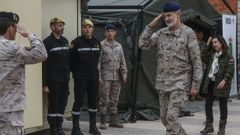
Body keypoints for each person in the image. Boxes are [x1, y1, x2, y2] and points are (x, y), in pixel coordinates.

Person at [138, 2, 203, 135]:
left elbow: (197, 61)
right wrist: (151, 25)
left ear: (178, 14)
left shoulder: (188, 33)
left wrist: (195, 85)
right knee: (164, 119)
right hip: (163, 83)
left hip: (180, 83)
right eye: (165, 16)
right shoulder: (161, 33)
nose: (167, 18)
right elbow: (143, 44)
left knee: (171, 118)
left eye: (170, 15)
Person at [0, 11, 47, 134]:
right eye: (15, 27)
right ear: (10, 28)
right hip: (9, 110)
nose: (16, 31)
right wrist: (30, 35)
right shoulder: (12, 48)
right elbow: (41, 54)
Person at [70, 19, 101, 135]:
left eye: (89, 27)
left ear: (93, 29)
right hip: (80, 78)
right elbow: (70, 61)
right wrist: (76, 73)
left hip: (93, 77)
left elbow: (98, 61)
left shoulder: (97, 42)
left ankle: (93, 127)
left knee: (93, 102)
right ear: (82, 29)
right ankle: (75, 128)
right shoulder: (76, 42)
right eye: (85, 27)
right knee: (78, 101)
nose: (87, 29)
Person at [200, 36, 234, 135]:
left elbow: (230, 70)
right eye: (213, 43)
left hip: (222, 83)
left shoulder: (228, 56)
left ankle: (222, 128)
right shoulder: (211, 55)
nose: (214, 44)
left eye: (216, 42)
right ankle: (209, 126)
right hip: (211, 82)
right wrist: (207, 44)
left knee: (222, 105)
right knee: (208, 104)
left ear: (221, 43)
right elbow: (202, 56)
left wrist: (224, 80)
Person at [42, 17, 70, 135]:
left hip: (64, 79)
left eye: (61, 25)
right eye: (57, 25)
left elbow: (67, 60)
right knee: (54, 104)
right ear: (52, 27)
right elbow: (44, 65)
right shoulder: (47, 42)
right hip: (53, 80)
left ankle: (59, 126)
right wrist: (45, 84)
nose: (60, 27)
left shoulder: (65, 41)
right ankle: (53, 128)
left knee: (62, 103)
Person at [98, 24, 127, 129]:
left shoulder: (119, 46)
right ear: (105, 33)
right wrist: (99, 76)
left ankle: (113, 121)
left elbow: (122, 60)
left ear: (115, 33)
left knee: (114, 99)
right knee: (104, 98)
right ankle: (102, 121)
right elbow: (98, 63)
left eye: (112, 31)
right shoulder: (101, 45)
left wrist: (124, 73)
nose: (110, 33)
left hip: (117, 76)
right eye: (108, 31)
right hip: (106, 75)